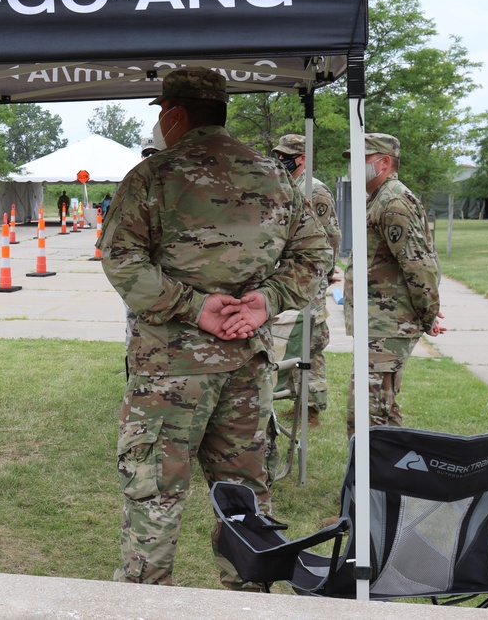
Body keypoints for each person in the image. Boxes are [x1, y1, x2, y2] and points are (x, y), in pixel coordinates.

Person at [98, 67, 331, 588]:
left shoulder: (154, 175)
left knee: (154, 494)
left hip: (171, 372)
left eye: (162, 113)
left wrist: (192, 306)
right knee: (247, 497)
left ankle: (143, 603)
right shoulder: (276, 176)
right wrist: (264, 304)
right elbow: (317, 255)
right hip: (249, 362)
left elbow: (120, 258)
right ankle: (250, 597)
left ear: (175, 114)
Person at [342, 133, 444, 437]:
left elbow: (418, 264)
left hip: (389, 323)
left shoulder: (394, 201)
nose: (354, 168)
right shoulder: (379, 198)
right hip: (380, 322)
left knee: (367, 412)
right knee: (381, 408)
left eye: (362, 160)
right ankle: (391, 479)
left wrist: (429, 314)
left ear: (384, 162)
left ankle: (373, 482)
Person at [270, 134, 342, 426]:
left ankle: (311, 409)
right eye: (278, 154)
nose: (280, 159)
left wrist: (326, 272)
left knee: (312, 341)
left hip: (311, 275)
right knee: (297, 339)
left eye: (286, 154)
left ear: (302, 158)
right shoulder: (288, 185)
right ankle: (299, 402)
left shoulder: (315, 189)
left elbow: (332, 236)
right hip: (291, 274)